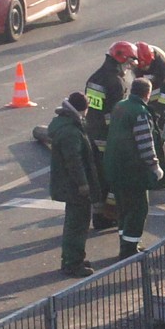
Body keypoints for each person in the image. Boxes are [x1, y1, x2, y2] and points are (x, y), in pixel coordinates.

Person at [104, 77, 165, 261]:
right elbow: (145, 142)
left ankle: (126, 242)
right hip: (132, 171)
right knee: (138, 208)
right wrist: (155, 166)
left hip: (114, 167)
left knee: (123, 208)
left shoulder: (120, 106)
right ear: (147, 93)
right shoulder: (139, 112)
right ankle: (130, 249)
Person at [49, 91, 99, 278]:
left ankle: (73, 258)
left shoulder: (65, 125)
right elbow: (74, 161)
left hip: (67, 185)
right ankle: (72, 262)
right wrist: (83, 184)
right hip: (74, 187)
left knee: (74, 223)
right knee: (77, 225)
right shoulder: (71, 131)